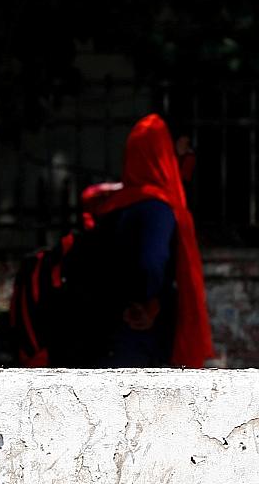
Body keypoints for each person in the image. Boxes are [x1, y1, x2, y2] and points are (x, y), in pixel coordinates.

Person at [67, 114, 213, 368]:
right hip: (142, 333)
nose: (187, 155)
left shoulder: (110, 207)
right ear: (163, 150)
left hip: (107, 332)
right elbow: (151, 263)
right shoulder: (155, 207)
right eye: (182, 146)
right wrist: (149, 303)